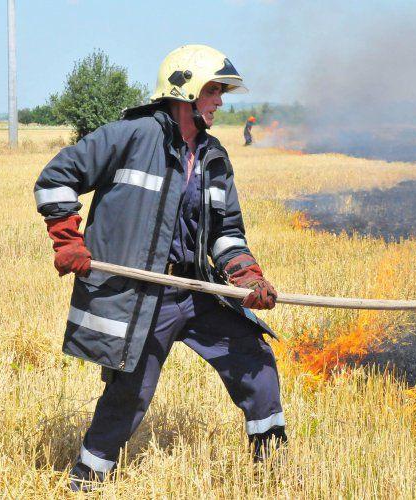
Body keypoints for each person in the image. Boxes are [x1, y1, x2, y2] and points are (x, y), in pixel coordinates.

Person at [34, 45, 285, 492]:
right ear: (185, 91)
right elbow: (56, 178)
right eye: (213, 90)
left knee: (256, 361)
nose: (220, 102)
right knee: (129, 394)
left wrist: (246, 275)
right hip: (144, 294)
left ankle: (274, 468)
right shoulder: (129, 136)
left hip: (196, 289)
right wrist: (68, 239)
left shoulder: (213, 157)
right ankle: (85, 481)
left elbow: (226, 231)